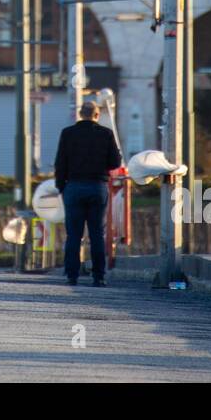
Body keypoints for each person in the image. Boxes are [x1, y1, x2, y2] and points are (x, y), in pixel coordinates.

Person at [54, 99, 122, 287]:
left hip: (74, 187)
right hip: (97, 187)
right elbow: (115, 162)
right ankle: (98, 276)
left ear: (80, 114)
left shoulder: (68, 134)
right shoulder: (106, 134)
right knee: (97, 234)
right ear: (97, 115)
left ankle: (71, 275)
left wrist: (62, 187)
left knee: (73, 235)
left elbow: (60, 163)